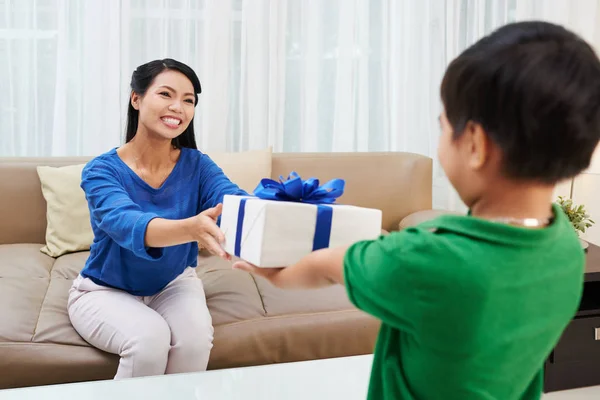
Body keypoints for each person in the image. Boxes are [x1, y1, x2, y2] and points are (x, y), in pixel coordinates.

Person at [234, 21, 600, 399]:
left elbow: (328, 265)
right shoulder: (565, 246)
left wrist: (275, 274)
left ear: (475, 143)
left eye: (443, 127)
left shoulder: (426, 260)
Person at [68, 59, 245, 379]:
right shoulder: (102, 170)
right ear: (136, 99)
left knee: (194, 342)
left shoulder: (197, 165)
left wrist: (278, 202)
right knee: (149, 339)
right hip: (105, 290)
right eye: (166, 94)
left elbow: (231, 199)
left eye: (189, 100)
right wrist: (190, 228)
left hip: (173, 283)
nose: (178, 107)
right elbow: (127, 222)